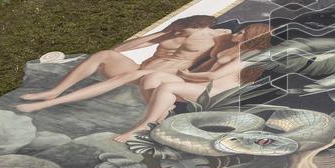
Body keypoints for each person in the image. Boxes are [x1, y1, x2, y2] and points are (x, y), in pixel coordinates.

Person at [16, 15, 232, 113]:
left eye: (181, 29)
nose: (176, 33)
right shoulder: (171, 33)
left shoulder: (217, 35)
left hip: (159, 79)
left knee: (130, 76)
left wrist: (193, 75)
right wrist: (162, 34)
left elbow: (219, 58)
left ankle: (47, 104)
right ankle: (55, 92)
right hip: (138, 72)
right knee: (104, 54)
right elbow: (121, 49)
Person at [113, 22, 273, 142]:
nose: (237, 33)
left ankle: (145, 125)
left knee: (168, 87)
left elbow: (212, 76)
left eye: (242, 33)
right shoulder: (236, 47)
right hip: (200, 85)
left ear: (252, 37)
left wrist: (187, 75)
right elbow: (211, 62)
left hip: (213, 93)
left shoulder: (252, 54)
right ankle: (161, 115)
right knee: (152, 78)